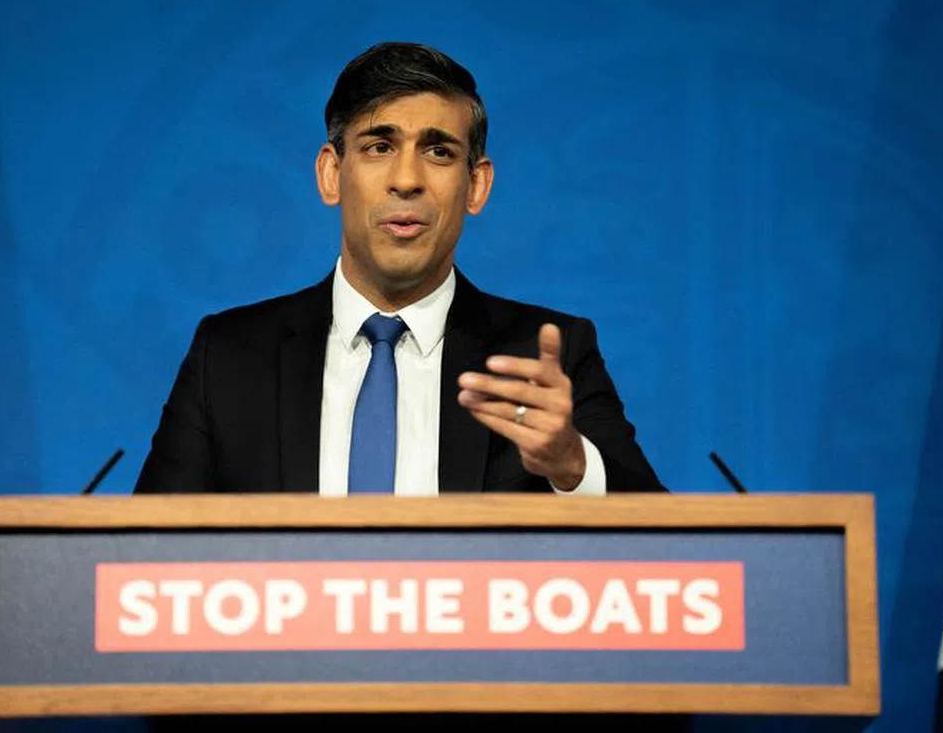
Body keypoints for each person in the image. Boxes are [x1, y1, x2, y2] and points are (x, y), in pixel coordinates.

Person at [134, 42, 664, 498]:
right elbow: (146, 560)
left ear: (476, 186)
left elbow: (667, 547)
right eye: (379, 147)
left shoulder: (544, 356)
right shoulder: (227, 357)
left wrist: (571, 464)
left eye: (437, 150)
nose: (406, 179)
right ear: (331, 174)